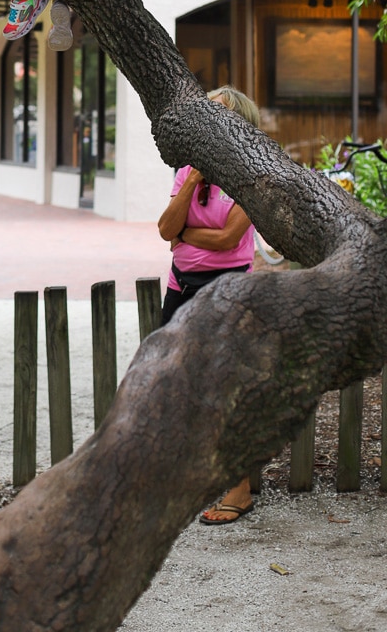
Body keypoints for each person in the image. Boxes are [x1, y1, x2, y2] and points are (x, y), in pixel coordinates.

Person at [157, 85, 260, 527]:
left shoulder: (253, 173)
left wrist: (186, 237)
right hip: (181, 287)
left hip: (228, 288)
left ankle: (239, 488)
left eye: (216, 116)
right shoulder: (188, 172)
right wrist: (195, 181)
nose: (207, 125)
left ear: (238, 123)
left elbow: (226, 239)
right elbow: (165, 229)